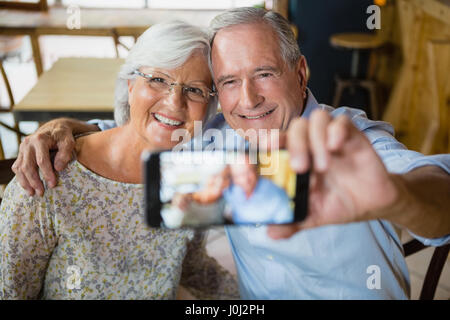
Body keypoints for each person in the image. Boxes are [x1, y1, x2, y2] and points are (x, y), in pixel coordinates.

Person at [11, 8, 450, 299]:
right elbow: (131, 133)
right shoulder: (215, 132)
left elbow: (441, 196)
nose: (249, 99)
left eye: (264, 73)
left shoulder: (350, 139)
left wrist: (394, 195)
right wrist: (59, 129)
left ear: (300, 73)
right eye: (229, 82)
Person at [0, 21, 239, 299]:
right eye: (158, 80)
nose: (175, 102)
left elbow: (191, 269)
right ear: (130, 85)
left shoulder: (189, 174)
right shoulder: (48, 176)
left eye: (195, 90)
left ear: (208, 107)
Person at [224, 156, 292, 224]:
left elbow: (286, 226)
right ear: (232, 178)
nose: (245, 180)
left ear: (256, 170)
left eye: (249, 172)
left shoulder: (277, 195)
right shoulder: (230, 189)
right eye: (238, 175)